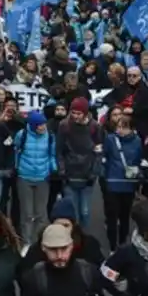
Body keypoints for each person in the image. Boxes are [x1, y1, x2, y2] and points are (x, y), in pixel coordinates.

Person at [19, 197, 105, 276]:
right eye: (58, 225)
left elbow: (100, 271)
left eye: (66, 225)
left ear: (73, 226)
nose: (62, 229)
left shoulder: (88, 245)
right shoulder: (38, 247)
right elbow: (26, 274)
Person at [55, 97, 103, 229]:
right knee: (73, 212)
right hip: (70, 174)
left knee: (85, 211)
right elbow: (59, 151)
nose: (75, 116)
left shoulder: (94, 127)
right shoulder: (64, 126)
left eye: (78, 113)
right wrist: (62, 171)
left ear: (85, 113)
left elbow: (98, 152)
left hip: (87, 175)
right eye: (73, 113)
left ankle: (83, 240)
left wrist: (94, 173)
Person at [14, 111, 57, 245]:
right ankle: (26, 242)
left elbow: (52, 154)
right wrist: (16, 168)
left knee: (41, 214)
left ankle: (39, 242)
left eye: (44, 124)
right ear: (32, 126)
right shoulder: (22, 135)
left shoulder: (49, 136)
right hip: (24, 177)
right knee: (26, 214)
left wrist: (54, 169)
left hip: (42, 177)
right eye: (39, 125)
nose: (43, 127)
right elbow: (16, 152)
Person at [102, 115, 141, 250]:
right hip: (113, 182)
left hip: (129, 184)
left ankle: (123, 242)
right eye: (118, 126)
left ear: (131, 129)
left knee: (125, 216)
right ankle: (113, 247)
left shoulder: (137, 141)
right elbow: (104, 157)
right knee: (112, 217)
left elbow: (139, 160)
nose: (120, 130)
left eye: (124, 127)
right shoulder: (110, 139)